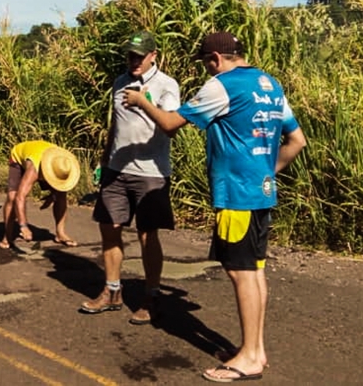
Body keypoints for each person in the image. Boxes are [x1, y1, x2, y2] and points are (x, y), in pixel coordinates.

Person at [123, 31, 306, 382]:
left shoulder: (221, 85)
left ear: (215, 60)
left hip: (236, 195)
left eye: (207, 64)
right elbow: (297, 140)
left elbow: (171, 122)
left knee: (241, 273)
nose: (208, 70)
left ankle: (249, 357)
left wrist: (144, 102)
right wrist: (266, 171)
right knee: (255, 270)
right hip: (262, 192)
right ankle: (255, 349)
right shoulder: (269, 84)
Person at [79, 30, 181, 326]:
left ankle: (151, 296)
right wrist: (104, 158)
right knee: (109, 229)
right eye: (130, 55)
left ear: (153, 56)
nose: (134, 61)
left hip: (151, 173)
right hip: (117, 169)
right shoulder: (120, 82)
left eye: (140, 55)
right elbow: (116, 124)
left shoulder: (166, 85)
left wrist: (143, 102)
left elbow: (172, 127)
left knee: (148, 235)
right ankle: (112, 291)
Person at [0, 140, 81, 250]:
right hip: (19, 157)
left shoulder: (63, 163)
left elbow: (61, 188)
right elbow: (20, 197)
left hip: (47, 157)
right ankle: (7, 236)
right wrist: (23, 226)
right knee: (12, 197)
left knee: (61, 195)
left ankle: (60, 233)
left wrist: (54, 195)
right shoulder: (34, 169)